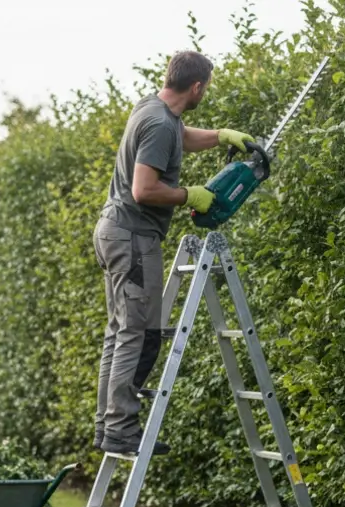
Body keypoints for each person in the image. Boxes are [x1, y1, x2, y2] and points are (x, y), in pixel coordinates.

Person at [92, 50, 253, 455]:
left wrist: (219, 136)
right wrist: (188, 195)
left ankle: (107, 425)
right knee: (135, 332)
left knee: (119, 332)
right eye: (206, 89)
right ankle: (120, 429)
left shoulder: (154, 109)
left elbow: (178, 137)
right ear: (197, 86)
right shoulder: (161, 122)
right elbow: (144, 189)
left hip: (114, 229)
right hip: (133, 235)